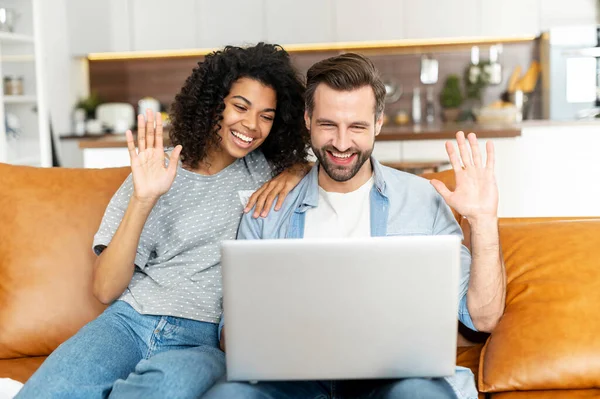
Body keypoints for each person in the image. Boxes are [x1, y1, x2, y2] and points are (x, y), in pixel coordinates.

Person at [16, 42, 310, 399]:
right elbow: (105, 289)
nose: (251, 125)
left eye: (267, 115)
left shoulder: (266, 173)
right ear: (215, 102)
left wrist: (295, 171)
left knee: (169, 387)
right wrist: (144, 198)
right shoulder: (155, 168)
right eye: (240, 106)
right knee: (48, 392)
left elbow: (328, 164)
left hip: (202, 341)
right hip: (128, 322)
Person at [206, 53, 505, 399]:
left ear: (378, 122)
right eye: (328, 125)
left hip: (397, 380)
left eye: (357, 127)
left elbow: (483, 319)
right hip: (290, 380)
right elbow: (231, 336)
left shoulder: (423, 201)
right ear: (307, 119)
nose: (342, 143)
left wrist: (483, 222)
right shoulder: (268, 209)